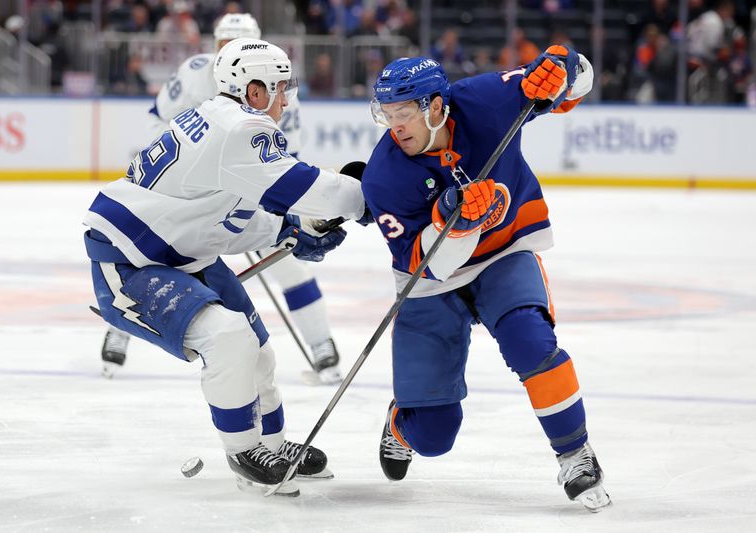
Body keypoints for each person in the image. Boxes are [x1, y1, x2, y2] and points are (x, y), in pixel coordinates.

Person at [83, 38, 367, 495]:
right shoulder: (239, 129)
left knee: (257, 351)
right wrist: (367, 197)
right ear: (254, 91)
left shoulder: (219, 119)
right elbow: (304, 186)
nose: (286, 97)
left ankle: (271, 445)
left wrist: (287, 230)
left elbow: (221, 217)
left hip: (178, 250)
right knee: (229, 339)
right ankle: (243, 452)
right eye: (279, 86)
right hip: (130, 259)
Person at [362, 48, 611, 511]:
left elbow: (574, 89)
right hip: (433, 283)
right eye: (387, 114)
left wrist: (566, 67)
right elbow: (424, 264)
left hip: (505, 251)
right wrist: (450, 225)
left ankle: (576, 454)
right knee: (434, 436)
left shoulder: (486, 99)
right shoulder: (384, 176)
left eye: (404, 113)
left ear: (437, 105)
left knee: (531, 341)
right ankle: (400, 423)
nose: (395, 127)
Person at [102, 12, 346, 385]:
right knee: (151, 262)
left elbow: (285, 156)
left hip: (252, 192)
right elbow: (158, 122)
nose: (228, 51)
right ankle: (121, 327)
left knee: (290, 262)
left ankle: (321, 344)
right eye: (223, 44)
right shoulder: (194, 71)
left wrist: (274, 204)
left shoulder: (275, 87)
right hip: (193, 198)